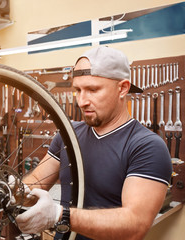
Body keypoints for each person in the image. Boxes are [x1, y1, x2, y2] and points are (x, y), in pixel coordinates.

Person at [14, 46, 172, 240]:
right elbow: (36, 182)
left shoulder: (147, 146)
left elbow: (135, 225)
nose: (82, 101)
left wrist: (58, 215)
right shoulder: (68, 134)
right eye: (78, 90)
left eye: (92, 90)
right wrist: (13, 190)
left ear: (122, 88)